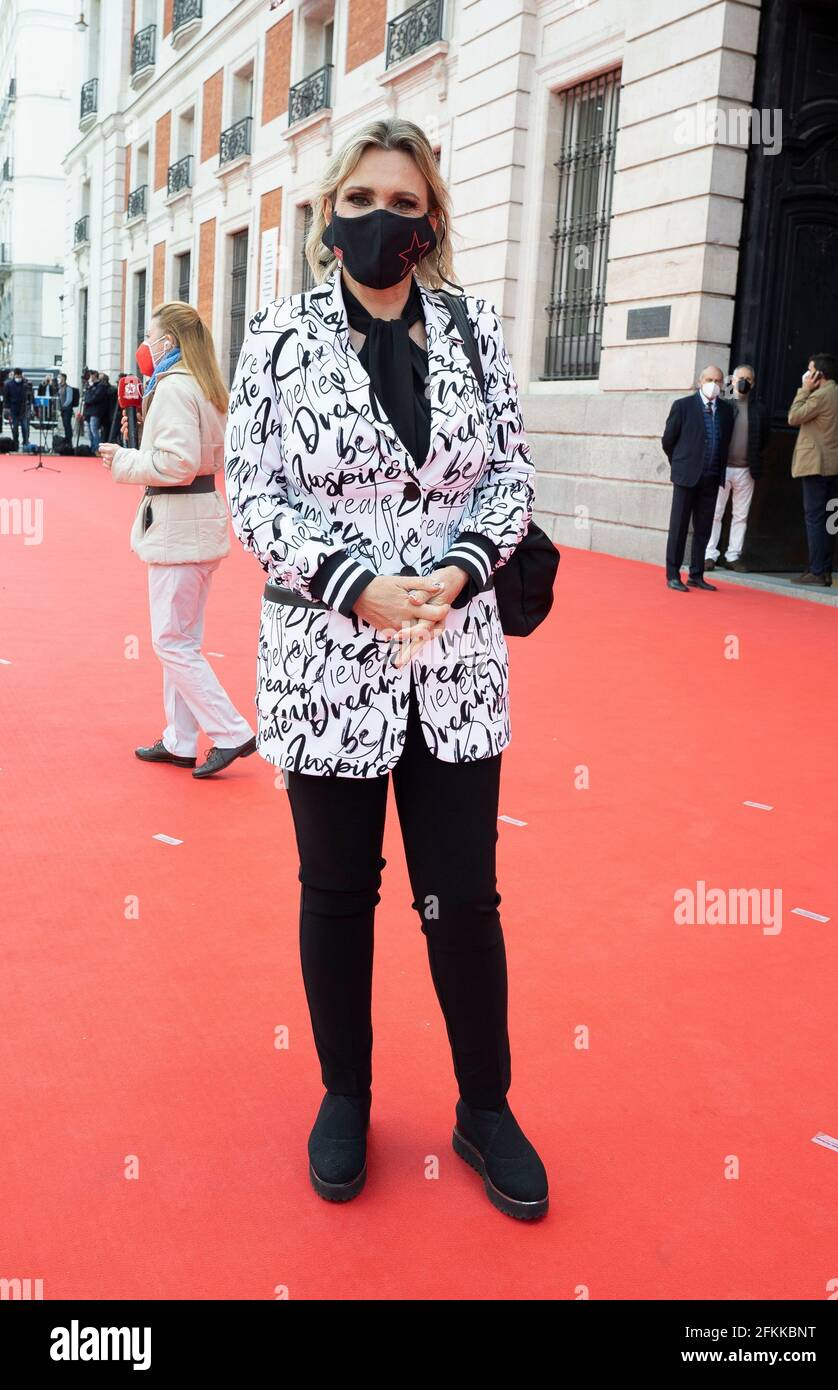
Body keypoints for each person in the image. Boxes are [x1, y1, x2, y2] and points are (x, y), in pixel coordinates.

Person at [225, 117, 549, 1220]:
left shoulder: (470, 330)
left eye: (402, 206)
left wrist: (458, 571)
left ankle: (485, 1106)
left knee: (462, 898)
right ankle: (345, 1095)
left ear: (431, 222)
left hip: (454, 664)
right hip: (327, 660)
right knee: (336, 893)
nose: (379, 221)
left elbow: (509, 478)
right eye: (360, 199)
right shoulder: (277, 336)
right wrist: (351, 581)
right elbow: (254, 495)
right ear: (328, 211)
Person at [98, 301, 256, 777]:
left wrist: (123, 460)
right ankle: (180, 738)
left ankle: (230, 732)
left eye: (151, 337)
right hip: (199, 520)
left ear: (169, 342)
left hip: (178, 524)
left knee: (171, 641)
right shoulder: (206, 385)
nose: (146, 346)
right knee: (183, 637)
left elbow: (176, 463)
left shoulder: (172, 388)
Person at [787, 353, 838, 586]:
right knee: (829, 518)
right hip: (836, 464)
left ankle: (817, 571)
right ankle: (824, 569)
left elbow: (793, 416)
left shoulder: (820, 396)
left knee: (815, 518)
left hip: (815, 464)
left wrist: (803, 389)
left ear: (818, 374)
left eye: (809, 370)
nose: (806, 374)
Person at [662, 364, 735, 591]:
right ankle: (673, 575)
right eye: (710, 379)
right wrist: (681, 463)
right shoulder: (682, 406)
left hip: (712, 477)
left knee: (703, 528)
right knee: (679, 527)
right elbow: (668, 441)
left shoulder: (726, 410)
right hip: (686, 477)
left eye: (718, 381)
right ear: (700, 381)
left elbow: (725, 441)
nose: (714, 384)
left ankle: (697, 574)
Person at [705, 363, 770, 572]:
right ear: (731, 380)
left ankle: (733, 555)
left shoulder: (759, 409)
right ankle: (709, 554)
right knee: (715, 512)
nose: (744, 382)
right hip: (722, 468)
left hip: (746, 470)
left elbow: (765, 438)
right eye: (740, 378)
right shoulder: (723, 404)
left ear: (754, 383)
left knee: (741, 515)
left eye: (748, 379)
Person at [3, 367, 31, 450]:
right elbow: (6, 397)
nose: (18, 378)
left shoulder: (25, 384)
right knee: (15, 428)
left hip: (24, 409)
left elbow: (30, 395)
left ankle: (25, 442)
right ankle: (15, 443)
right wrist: (6, 408)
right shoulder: (9, 384)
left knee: (25, 428)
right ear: (14, 375)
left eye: (19, 376)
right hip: (13, 409)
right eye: (17, 376)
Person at [82, 371, 105, 452]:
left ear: (95, 375)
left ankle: (97, 449)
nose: (90, 377)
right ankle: (92, 448)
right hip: (88, 411)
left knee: (94, 430)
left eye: (91, 375)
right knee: (89, 431)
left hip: (95, 412)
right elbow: (86, 398)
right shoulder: (91, 386)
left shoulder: (100, 386)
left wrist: (88, 400)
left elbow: (95, 398)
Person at [57, 373, 75, 445]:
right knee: (65, 425)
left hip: (67, 410)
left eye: (60, 377)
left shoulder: (68, 388)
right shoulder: (60, 387)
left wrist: (63, 406)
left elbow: (69, 399)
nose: (58, 379)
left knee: (67, 425)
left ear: (63, 378)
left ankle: (69, 440)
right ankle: (67, 439)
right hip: (63, 410)